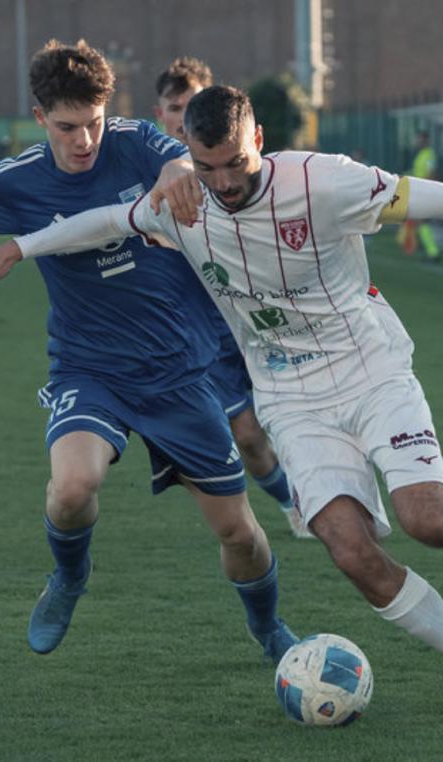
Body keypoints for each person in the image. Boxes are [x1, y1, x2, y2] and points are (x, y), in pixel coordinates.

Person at [0, 85, 443, 715]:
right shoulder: (183, 201)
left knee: (429, 521)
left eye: (237, 163)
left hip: (369, 369)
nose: (224, 183)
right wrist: (18, 250)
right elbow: (107, 221)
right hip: (289, 395)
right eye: (208, 167)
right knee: (348, 549)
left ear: (258, 134)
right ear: (188, 158)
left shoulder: (324, 180)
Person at [0, 42, 297, 662]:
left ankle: (270, 630)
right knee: (71, 488)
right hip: (89, 368)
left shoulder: (136, 141)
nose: (85, 139)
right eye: (68, 127)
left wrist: (177, 173)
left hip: (177, 371)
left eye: (93, 121)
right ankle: (69, 576)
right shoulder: (18, 181)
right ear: (40, 118)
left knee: (238, 531)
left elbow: (177, 161)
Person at [153, 56, 306, 538]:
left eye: (192, 104)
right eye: (175, 106)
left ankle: (328, 487)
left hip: (258, 313)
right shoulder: (153, 170)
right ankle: (293, 505)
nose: (183, 115)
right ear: (160, 113)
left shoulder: (241, 167)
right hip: (202, 329)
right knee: (247, 435)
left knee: (300, 415)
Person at [398, 130, 441, 261]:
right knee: (419, 222)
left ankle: (433, 252)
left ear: (426, 141)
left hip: (424, 191)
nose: (418, 142)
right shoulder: (421, 155)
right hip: (419, 190)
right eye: (417, 139)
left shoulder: (429, 154)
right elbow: (419, 172)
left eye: (421, 139)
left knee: (421, 222)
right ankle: (427, 249)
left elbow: (431, 173)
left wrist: (425, 189)